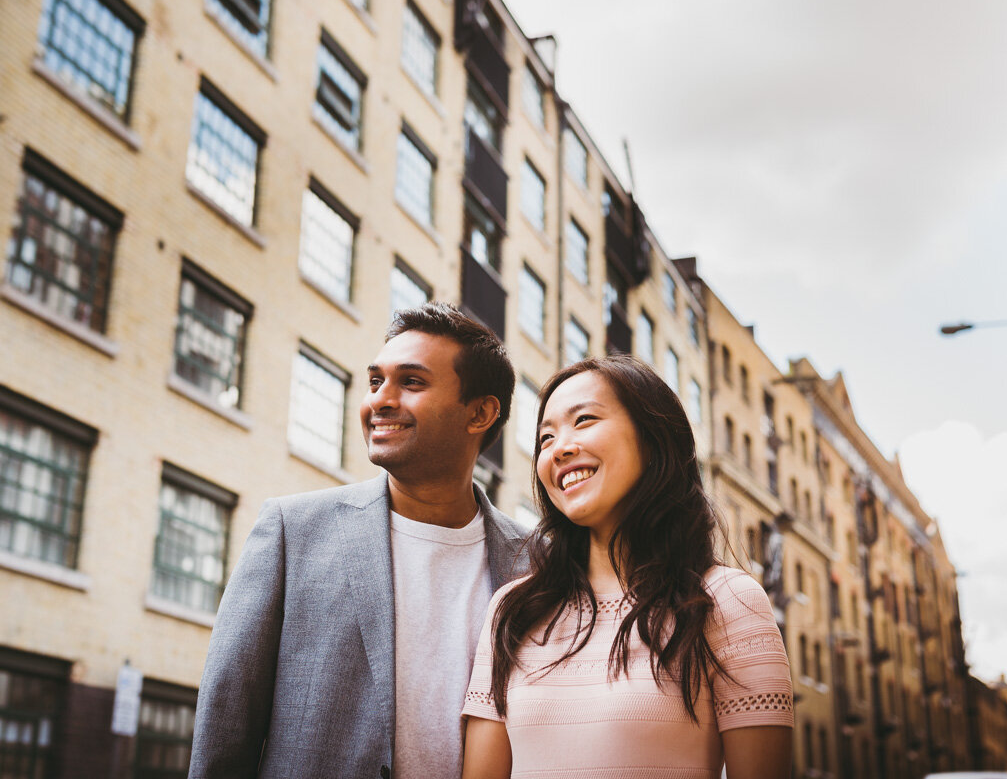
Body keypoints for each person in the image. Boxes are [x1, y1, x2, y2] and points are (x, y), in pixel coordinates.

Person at [189, 303, 529, 779]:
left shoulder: (541, 561)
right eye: (375, 382)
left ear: (480, 413)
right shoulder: (293, 530)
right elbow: (227, 723)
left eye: (411, 382)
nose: (380, 401)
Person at [461, 356, 794, 779]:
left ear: (652, 439)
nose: (558, 448)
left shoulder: (727, 601)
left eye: (583, 420)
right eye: (545, 437)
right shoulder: (512, 609)